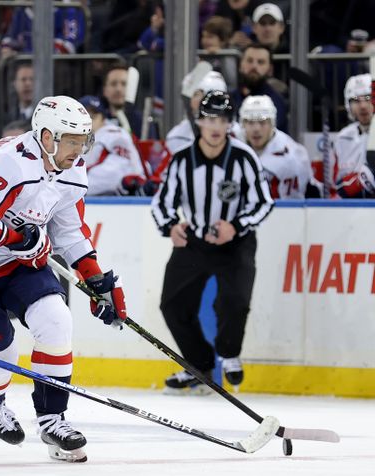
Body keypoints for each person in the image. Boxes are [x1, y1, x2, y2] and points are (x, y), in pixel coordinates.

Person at [0, 95, 128, 462]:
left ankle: (53, 418)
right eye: (72, 140)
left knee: (56, 320)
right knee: (1, 350)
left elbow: (69, 230)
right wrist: (19, 238)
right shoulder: (5, 162)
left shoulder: (72, 168)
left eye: (84, 140)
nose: (79, 149)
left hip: (18, 265)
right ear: (47, 137)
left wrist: (96, 280)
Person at [151, 91, 273, 394]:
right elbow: (161, 203)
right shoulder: (181, 161)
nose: (215, 126)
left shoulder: (243, 158)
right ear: (199, 122)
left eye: (221, 119)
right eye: (208, 119)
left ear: (230, 123)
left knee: (234, 302)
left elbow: (264, 202)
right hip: (195, 242)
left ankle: (229, 354)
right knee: (173, 305)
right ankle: (198, 364)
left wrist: (236, 225)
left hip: (236, 242)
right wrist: (171, 228)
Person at [240, 95, 319, 199]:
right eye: (250, 122)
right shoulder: (233, 144)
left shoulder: (293, 155)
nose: (256, 129)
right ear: (243, 124)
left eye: (262, 122)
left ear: (272, 124)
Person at [333, 74, 375, 198]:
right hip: (350, 210)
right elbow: (335, 186)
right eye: (356, 100)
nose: (363, 106)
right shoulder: (342, 138)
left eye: (368, 98)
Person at [230, 44, 288, 132]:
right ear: (240, 65)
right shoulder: (230, 99)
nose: (254, 66)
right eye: (249, 61)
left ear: (270, 70)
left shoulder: (276, 103)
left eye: (260, 62)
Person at [83, 118, 148, 196]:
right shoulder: (124, 133)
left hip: (92, 189)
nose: (91, 122)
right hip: (100, 190)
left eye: (93, 117)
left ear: (103, 119)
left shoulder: (101, 136)